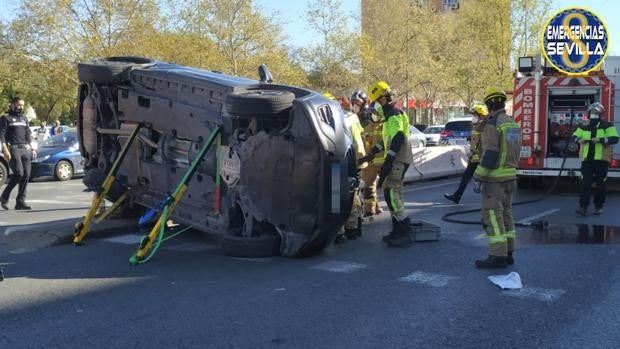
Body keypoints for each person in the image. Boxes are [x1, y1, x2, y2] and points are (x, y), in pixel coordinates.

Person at [472, 87, 521, 268]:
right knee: (507, 214)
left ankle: (497, 255)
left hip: (495, 180)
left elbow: (491, 152)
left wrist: (478, 177)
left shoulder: (492, 124)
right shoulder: (512, 123)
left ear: (490, 105)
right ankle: (508, 253)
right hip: (510, 178)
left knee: (492, 216)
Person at [368, 81, 414, 247]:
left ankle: (405, 230)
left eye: (375, 101)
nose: (375, 106)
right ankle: (397, 231)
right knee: (392, 194)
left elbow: (399, 137)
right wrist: (373, 152)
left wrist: (389, 160)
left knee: (390, 194)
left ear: (382, 98)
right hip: (397, 158)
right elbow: (387, 140)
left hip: (399, 159)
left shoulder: (394, 113)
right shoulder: (389, 117)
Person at [573, 102, 619, 216]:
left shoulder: (607, 125)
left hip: (601, 160)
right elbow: (574, 136)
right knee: (585, 184)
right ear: (589, 113)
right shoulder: (584, 125)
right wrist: (578, 140)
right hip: (587, 160)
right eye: (592, 112)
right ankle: (583, 207)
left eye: (596, 112)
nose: (594, 114)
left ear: (600, 114)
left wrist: (601, 140)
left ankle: (598, 206)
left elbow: (614, 138)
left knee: (600, 184)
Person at [334, 95, 367, 244]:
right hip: (352, 160)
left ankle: (339, 231)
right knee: (353, 193)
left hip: (337, 161)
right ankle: (353, 228)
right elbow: (359, 140)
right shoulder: (352, 118)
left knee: (337, 195)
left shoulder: (333, 119)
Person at [444, 102, 489, 204]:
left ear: (481, 116)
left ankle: (491, 200)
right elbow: (476, 139)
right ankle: (457, 196)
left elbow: (484, 142)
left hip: (481, 158)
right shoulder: (476, 126)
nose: (473, 117)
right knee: (465, 178)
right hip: (475, 158)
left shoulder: (485, 127)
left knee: (486, 181)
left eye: (475, 115)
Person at [1, 96, 37, 210]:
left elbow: (28, 134)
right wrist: (5, 150)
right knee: (19, 173)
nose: (20, 107)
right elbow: (1, 135)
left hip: (24, 148)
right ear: (12, 105)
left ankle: (20, 202)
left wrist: (33, 148)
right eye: (18, 105)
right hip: (12, 148)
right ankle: (4, 196)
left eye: (22, 105)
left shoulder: (24, 118)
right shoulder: (6, 118)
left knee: (26, 174)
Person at [352, 90, 384, 219]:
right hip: (365, 156)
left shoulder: (370, 117)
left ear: (364, 103)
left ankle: (370, 209)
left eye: (357, 103)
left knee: (371, 185)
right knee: (369, 184)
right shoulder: (354, 118)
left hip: (375, 155)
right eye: (353, 102)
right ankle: (373, 208)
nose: (355, 105)